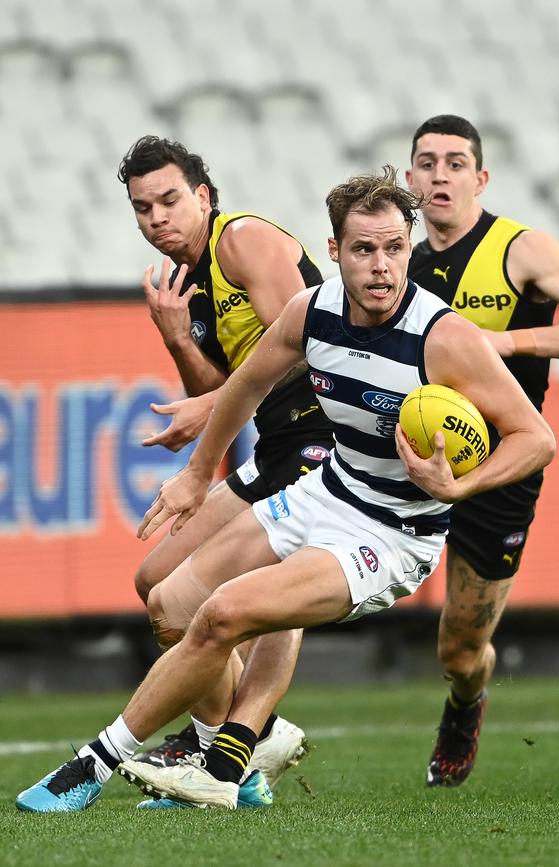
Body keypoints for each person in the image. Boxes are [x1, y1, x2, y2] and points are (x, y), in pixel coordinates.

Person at [17, 165, 555, 812]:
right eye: (363, 249)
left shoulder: (445, 339)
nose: (381, 266)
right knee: (170, 604)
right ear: (334, 252)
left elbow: (536, 438)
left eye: (394, 248)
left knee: (224, 613)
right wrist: (195, 475)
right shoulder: (313, 311)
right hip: (326, 489)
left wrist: (459, 483)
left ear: (410, 247)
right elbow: (243, 384)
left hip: (391, 533)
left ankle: (93, 767)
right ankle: (233, 764)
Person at [405, 115, 559, 788]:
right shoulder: (401, 262)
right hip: (410, 455)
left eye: (455, 163)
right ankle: (242, 733)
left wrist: (506, 343)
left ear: (480, 178)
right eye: (427, 162)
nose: (440, 174)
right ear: (411, 179)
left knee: (459, 647)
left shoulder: (518, 249)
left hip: (500, 459)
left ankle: (466, 701)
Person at [116, 136, 335, 794]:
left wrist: (208, 407)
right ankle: (243, 740)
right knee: (154, 585)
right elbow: (220, 380)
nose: (157, 217)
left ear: (204, 197)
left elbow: (305, 349)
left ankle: (235, 742)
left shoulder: (240, 240)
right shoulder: (188, 285)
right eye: (142, 207)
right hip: (275, 443)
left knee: (261, 593)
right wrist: (178, 336)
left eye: (170, 199)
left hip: (324, 434)